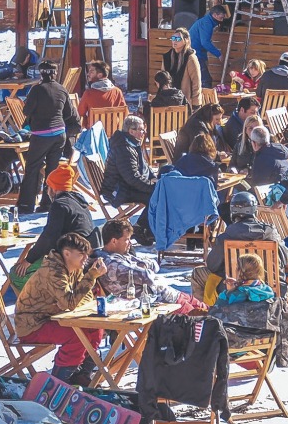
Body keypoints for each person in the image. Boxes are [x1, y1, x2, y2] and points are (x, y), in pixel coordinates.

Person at [14, 231, 106, 384]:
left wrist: (79, 298)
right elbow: (69, 303)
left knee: (95, 328)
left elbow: (84, 297)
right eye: (81, 254)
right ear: (67, 253)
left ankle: (81, 376)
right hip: (32, 324)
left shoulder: (73, 267)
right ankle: (57, 382)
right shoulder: (53, 271)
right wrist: (91, 276)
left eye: (87, 254)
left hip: (51, 317)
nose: (86, 259)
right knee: (75, 336)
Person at [191, 191, 288, 302]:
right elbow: (285, 258)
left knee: (198, 273)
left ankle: (202, 313)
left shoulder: (226, 237)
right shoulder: (271, 233)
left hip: (235, 287)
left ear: (232, 213)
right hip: (271, 288)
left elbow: (212, 266)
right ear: (255, 211)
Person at [94, 218, 204, 313]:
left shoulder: (122, 255)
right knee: (201, 317)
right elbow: (147, 277)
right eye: (127, 240)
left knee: (204, 308)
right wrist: (144, 268)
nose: (130, 244)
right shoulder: (111, 263)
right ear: (114, 241)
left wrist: (143, 266)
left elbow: (155, 264)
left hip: (169, 295)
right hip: (157, 303)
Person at [19, 60, 81, 213]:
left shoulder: (36, 90)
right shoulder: (62, 89)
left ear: (40, 73)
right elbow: (69, 114)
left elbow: (26, 111)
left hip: (41, 135)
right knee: (52, 169)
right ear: (55, 73)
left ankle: (26, 205)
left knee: (32, 168)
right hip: (59, 134)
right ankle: (47, 203)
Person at [18, 162, 100, 276]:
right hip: (86, 252)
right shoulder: (80, 202)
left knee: (18, 274)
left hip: (72, 256)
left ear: (53, 188)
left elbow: (49, 236)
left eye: (48, 187)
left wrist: (29, 260)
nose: (47, 191)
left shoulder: (59, 205)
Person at [101, 116, 157, 221]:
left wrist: (154, 179)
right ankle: (142, 228)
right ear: (131, 131)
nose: (144, 132)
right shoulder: (124, 149)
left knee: (160, 187)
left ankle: (145, 228)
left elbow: (145, 168)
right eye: (141, 129)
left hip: (126, 186)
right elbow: (133, 178)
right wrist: (153, 186)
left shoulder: (131, 144)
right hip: (120, 191)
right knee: (156, 196)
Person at [189, 5, 229, 87]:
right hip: (196, 54)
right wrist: (218, 54)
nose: (222, 20)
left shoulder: (205, 21)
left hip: (196, 52)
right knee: (205, 81)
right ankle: (206, 99)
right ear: (214, 15)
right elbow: (205, 42)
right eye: (221, 17)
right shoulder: (207, 23)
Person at [162, 30, 202, 107]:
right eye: (173, 38)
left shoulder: (190, 58)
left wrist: (196, 104)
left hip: (185, 101)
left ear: (185, 40)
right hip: (169, 100)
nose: (174, 41)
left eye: (178, 39)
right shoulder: (167, 56)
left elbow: (196, 82)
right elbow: (162, 78)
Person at [222, 95, 261, 166]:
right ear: (242, 110)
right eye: (252, 112)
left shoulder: (252, 122)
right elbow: (240, 150)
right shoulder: (233, 127)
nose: (255, 116)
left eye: (257, 113)